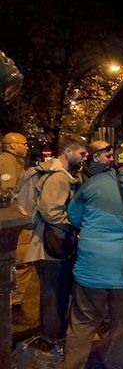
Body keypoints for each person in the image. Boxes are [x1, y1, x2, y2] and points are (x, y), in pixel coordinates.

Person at [65, 140, 123, 369]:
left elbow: (73, 217)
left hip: (90, 270)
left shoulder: (94, 183)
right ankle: (117, 363)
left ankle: (73, 365)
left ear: (119, 162)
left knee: (83, 323)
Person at [23, 134, 87, 351]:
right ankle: (51, 339)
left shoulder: (60, 173)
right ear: (68, 152)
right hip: (50, 247)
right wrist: (76, 223)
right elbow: (52, 213)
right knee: (53, 294)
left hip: (51, 244)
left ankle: (52, 335)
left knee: (56, 292)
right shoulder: (58, 177)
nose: (84, 157)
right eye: (81, 153)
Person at [0, 132, 32, 323]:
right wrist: (23, 213)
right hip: (13, 226)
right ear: (12, 146)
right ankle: (13, 306)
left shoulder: (11, 162)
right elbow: (7, 194)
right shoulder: (7, 163)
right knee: (21, 262)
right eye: (24, 143)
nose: (27, 146)